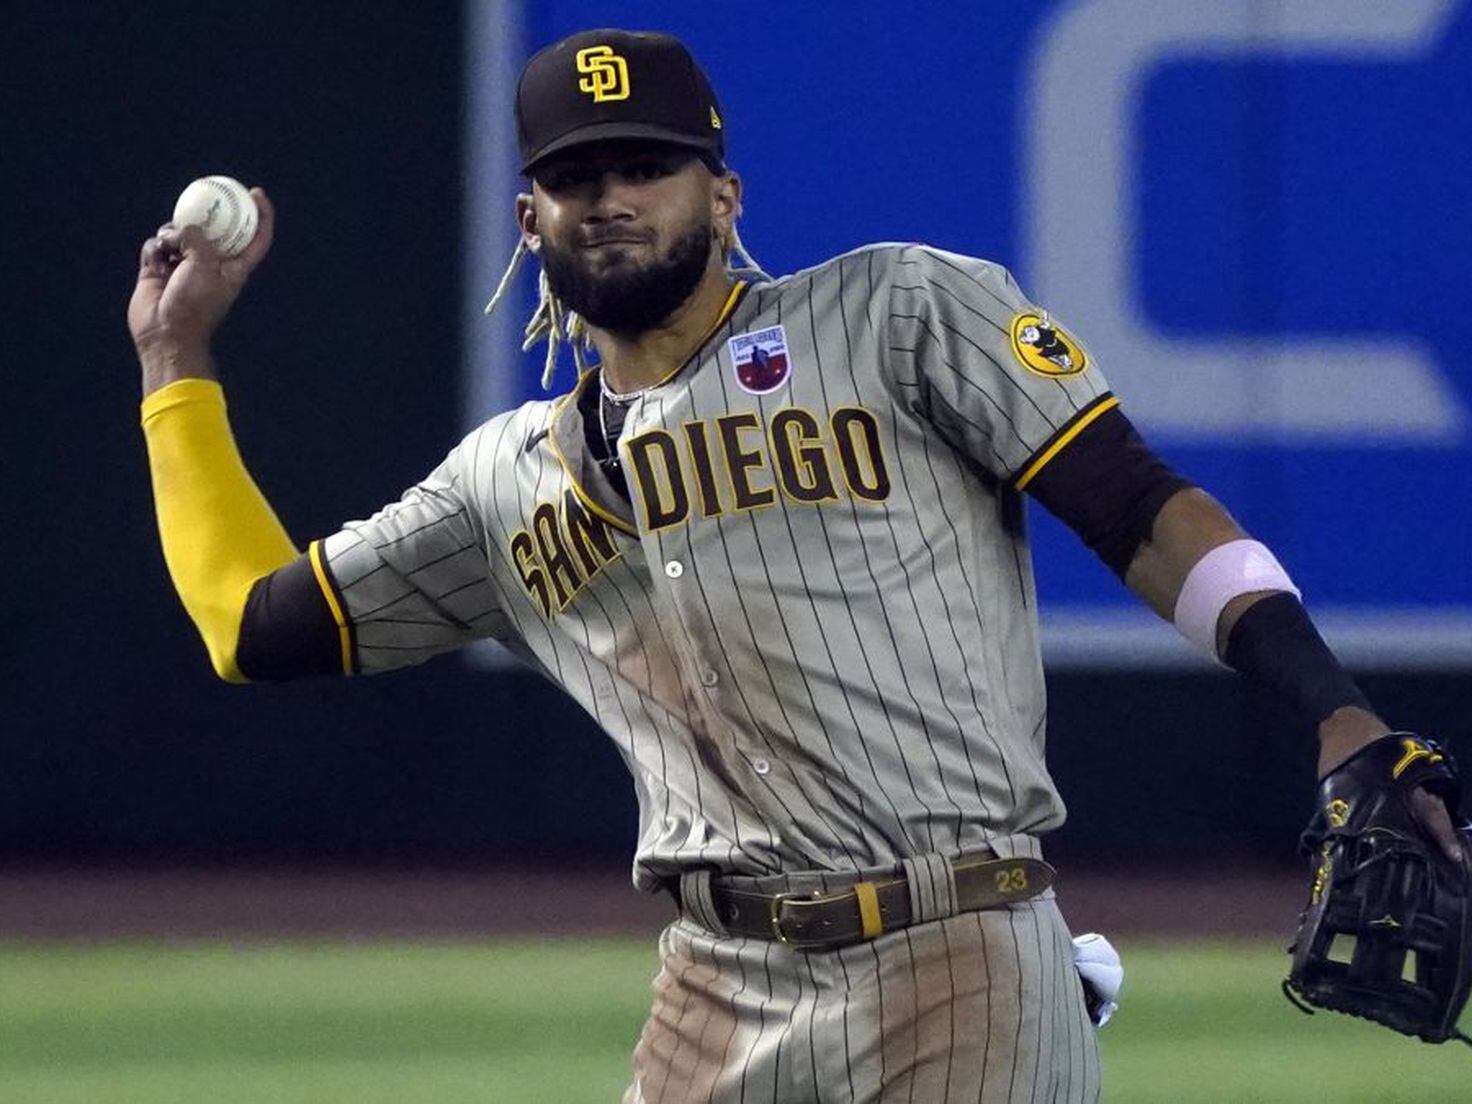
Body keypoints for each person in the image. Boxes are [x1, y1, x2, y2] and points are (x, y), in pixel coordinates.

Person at [128, 28, 1459, 1103]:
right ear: (527, 216)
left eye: (646, 166)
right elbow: (252, 623)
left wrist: (1333, 708)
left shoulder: (895, 315)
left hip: (965, 961)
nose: (612, 200)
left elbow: (1141, 510)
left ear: (725, 193)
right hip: (716, 988)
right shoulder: (499, 485)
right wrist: (176, 363)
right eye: (580, 176)